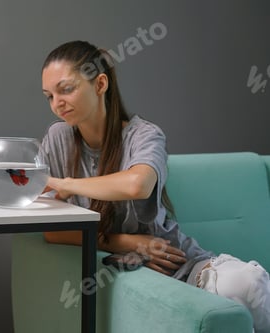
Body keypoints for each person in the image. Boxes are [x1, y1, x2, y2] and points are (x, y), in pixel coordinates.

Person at [40, 40, 270, 332]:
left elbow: (138, 185)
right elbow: (52, 231)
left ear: (100, 84)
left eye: (66, 89)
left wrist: (68, 184)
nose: (56, 103)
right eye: (49, 95)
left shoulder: (144, 135)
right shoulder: (57, 138)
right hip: (132, 261)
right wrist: (129, 242)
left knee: (248, 282)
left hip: (176, 261)